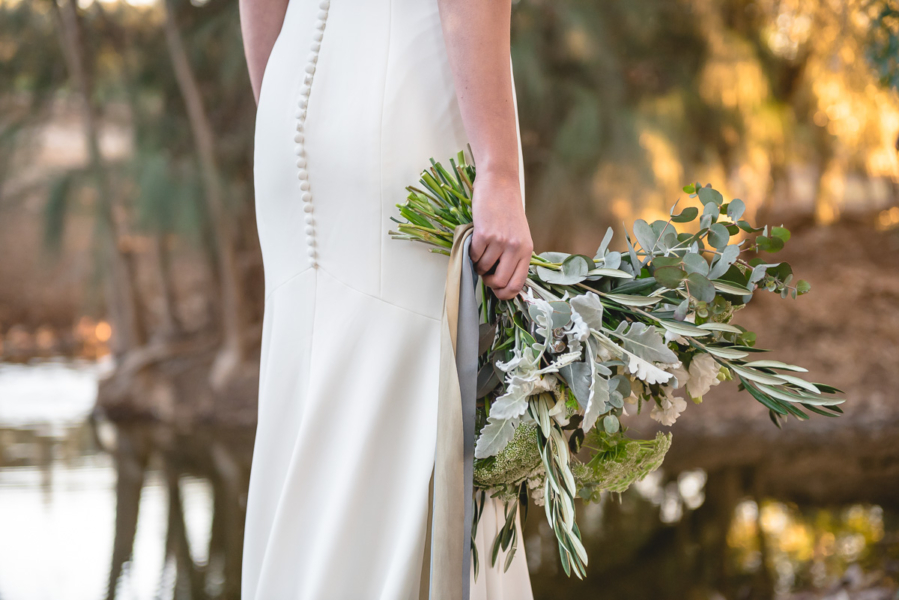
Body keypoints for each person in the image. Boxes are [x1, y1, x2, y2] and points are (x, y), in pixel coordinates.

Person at [239, 0, 534, 597]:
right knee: (414, 421)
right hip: (406, 95)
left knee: (318, 427)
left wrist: (291, 116)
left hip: (289, 104)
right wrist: (499, 170)